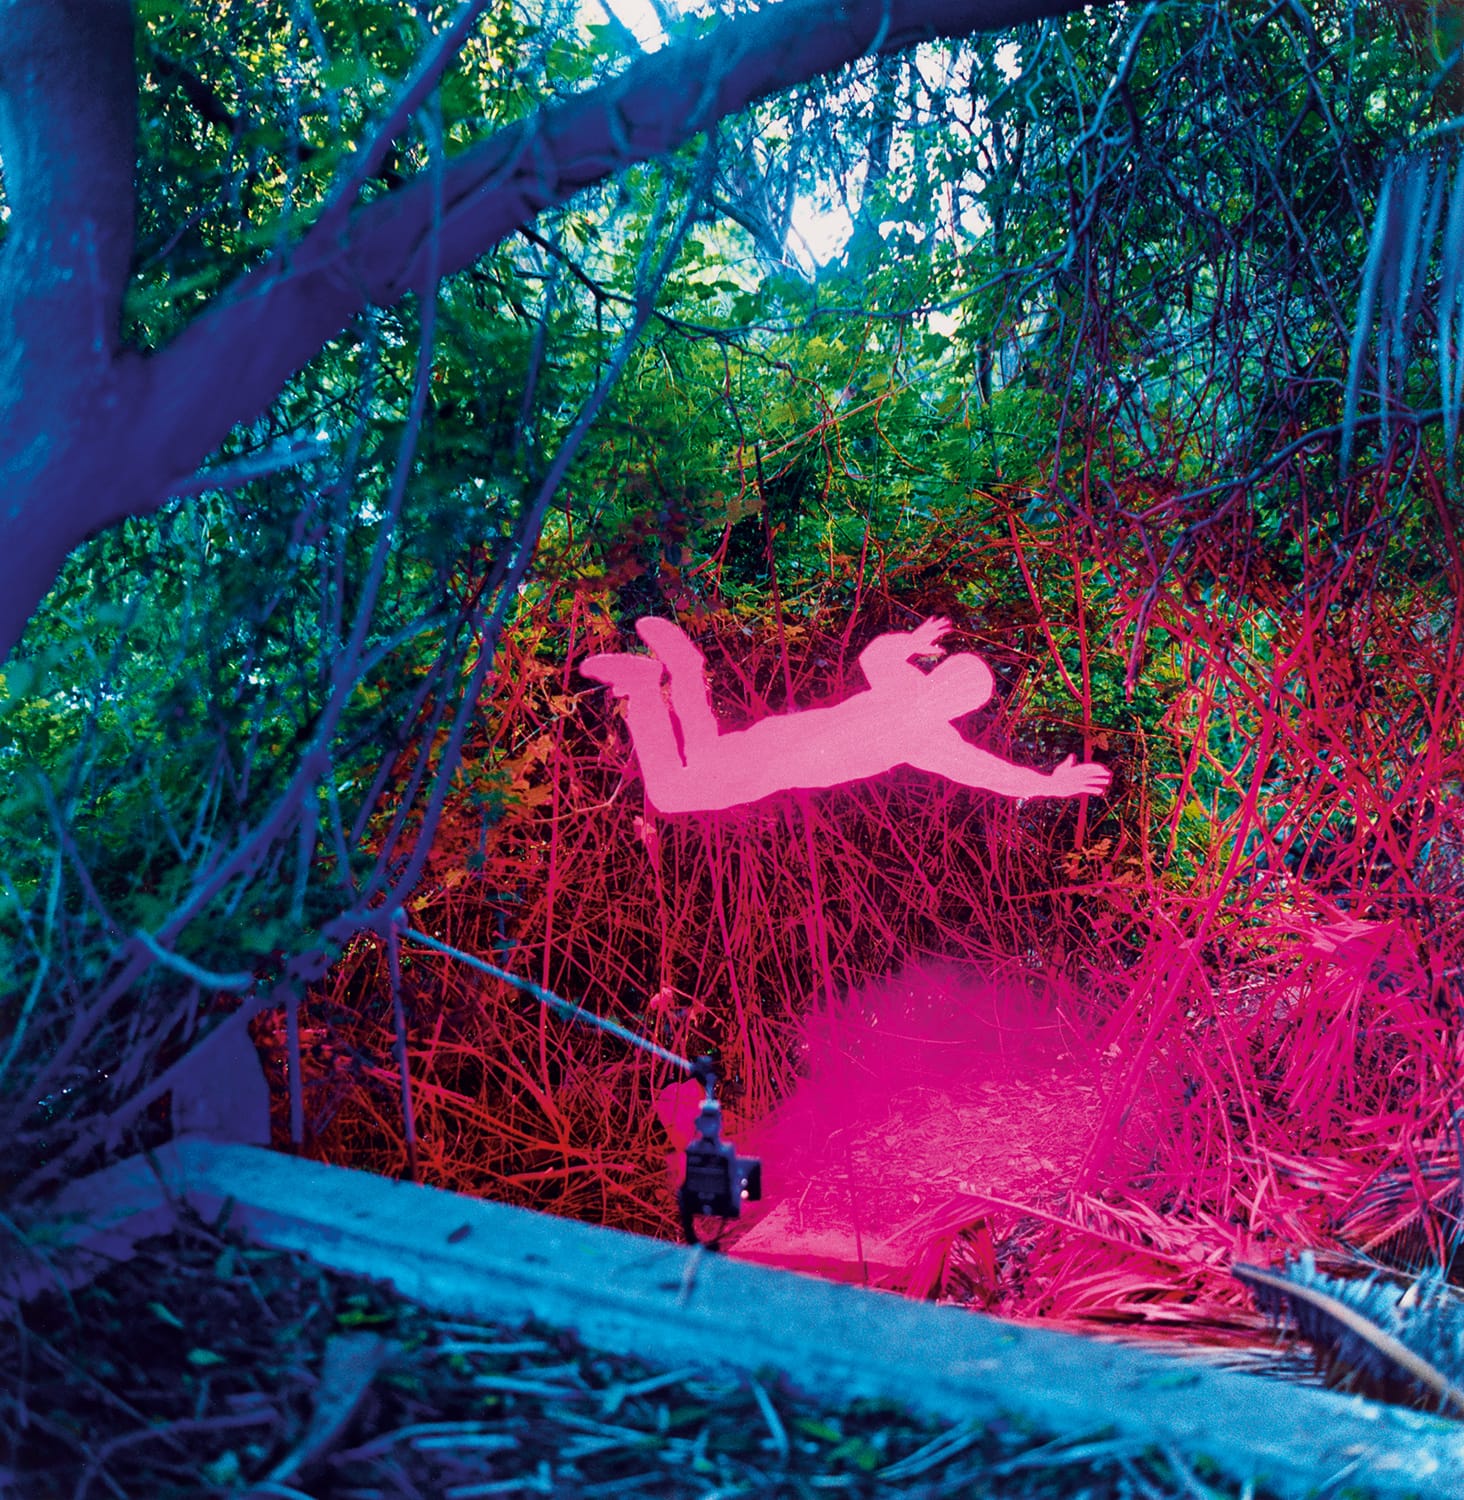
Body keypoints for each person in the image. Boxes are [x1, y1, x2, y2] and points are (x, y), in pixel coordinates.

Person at [580, 614, 1111, 815]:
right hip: (780, 763)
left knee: (703, 753)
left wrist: (911, 644)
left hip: (781, 745)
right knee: (673, 794)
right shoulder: (928, 735)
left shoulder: (921, 715)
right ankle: (650, 683)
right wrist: (1049, 785)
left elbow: (992, 774)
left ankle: (678, 670)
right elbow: (992, 774)